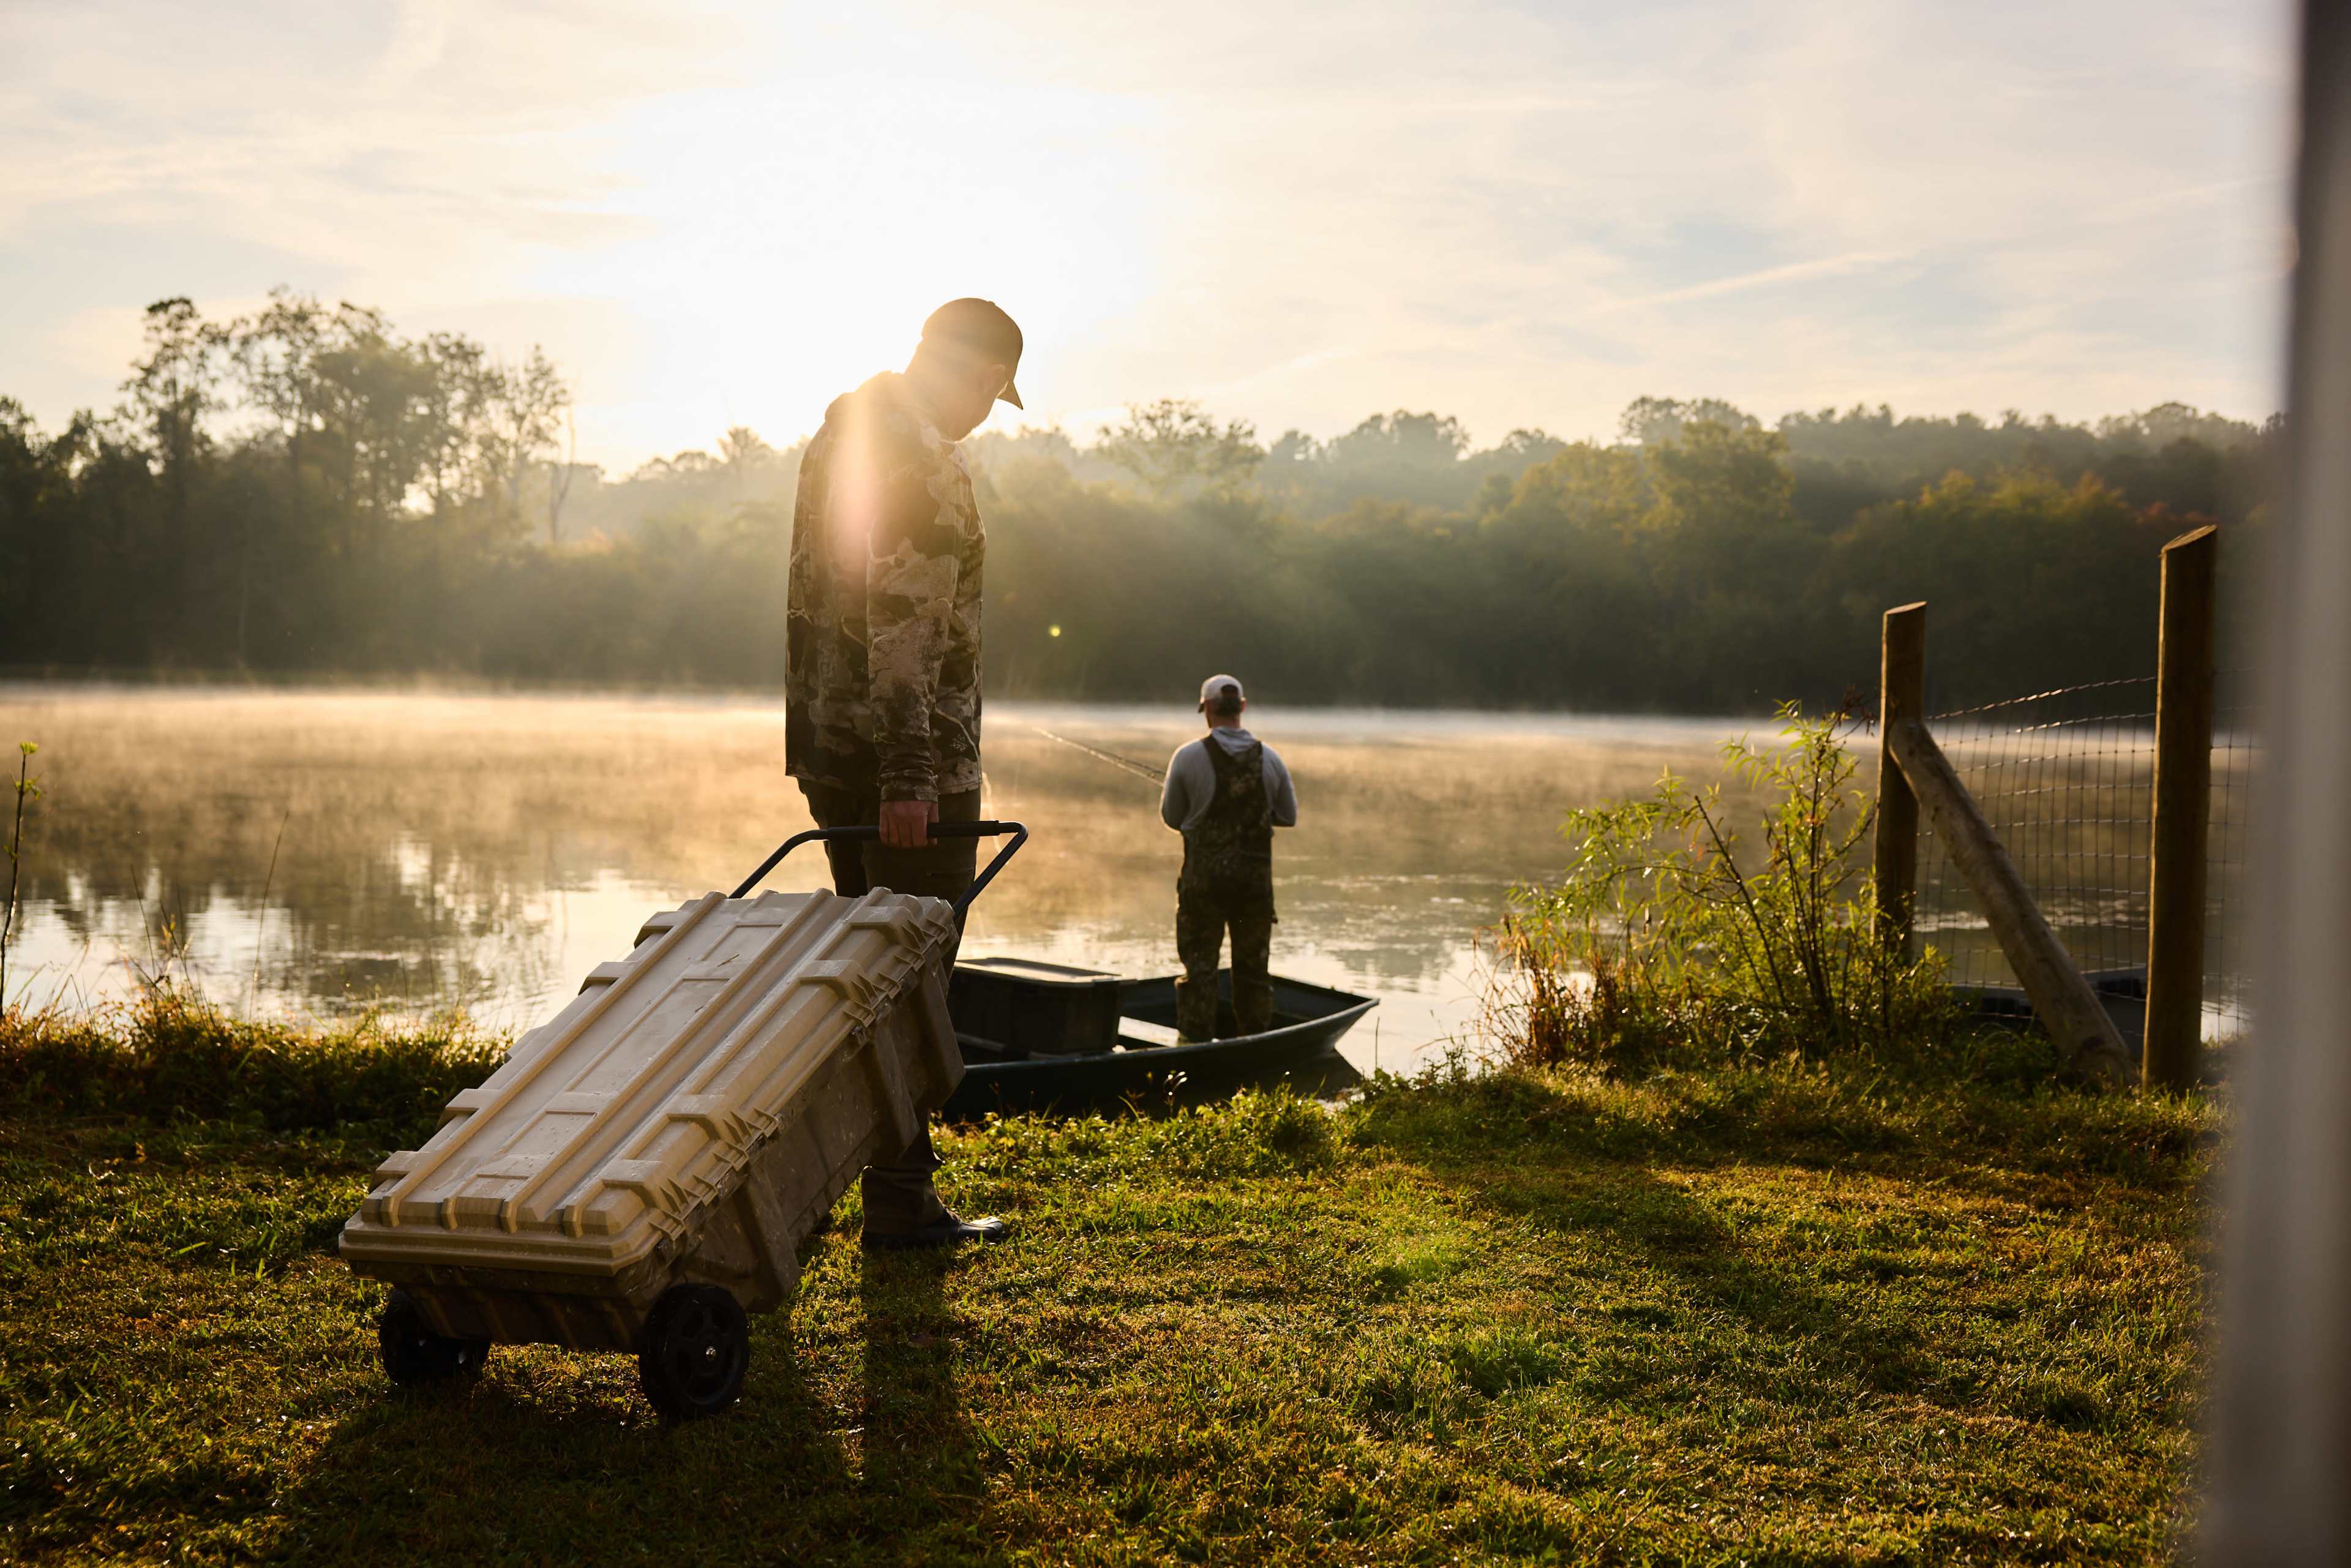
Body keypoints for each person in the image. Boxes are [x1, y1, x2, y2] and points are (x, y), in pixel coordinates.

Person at [784, 298, 1022, 1250]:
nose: (983, 415)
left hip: (834, 752)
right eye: (992, 395)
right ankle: (898, 1200)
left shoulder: (844, 428)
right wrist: (913, 775)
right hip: (903, 767)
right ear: (974, 372)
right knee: (915, 985)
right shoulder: (921, 456)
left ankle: (879, 1188)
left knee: (869, 980)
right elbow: (904, 630)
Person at [1158, 675, 1298, 1040]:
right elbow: (1288, 816)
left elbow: (1172, 818)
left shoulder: (1187, 757)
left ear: (1206, 710)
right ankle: (1252, 1049)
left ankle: (1194, 1050)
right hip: (1253, 888)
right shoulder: (1271, 758)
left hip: (1203, 886)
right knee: (1253, 972)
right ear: (1243, 708)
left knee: (1200, 971)